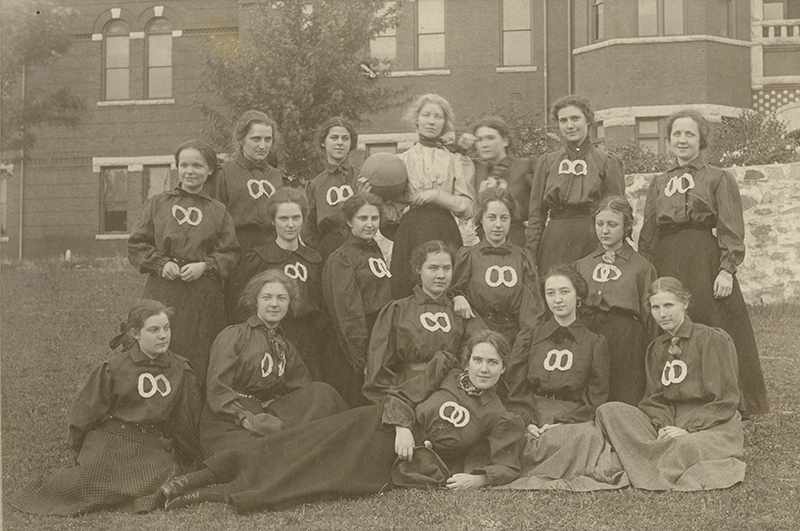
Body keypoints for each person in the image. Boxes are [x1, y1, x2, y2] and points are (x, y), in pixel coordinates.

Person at [159, 330, 526, 513]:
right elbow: (401, 394)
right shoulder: (443, 372)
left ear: (503, 368)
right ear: (468, 360)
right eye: (478, 360)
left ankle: (206, 495)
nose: (483, 368)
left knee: (313, 479)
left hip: (395, 463)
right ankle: (197, 477)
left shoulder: (500, 416)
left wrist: (478, 478)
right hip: (374, 426)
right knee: (297, 445)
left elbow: (508, 464)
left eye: (493, 363)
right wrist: (400, 425)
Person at [9, 300, 202, 515]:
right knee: (86, 481)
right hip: (111, 438)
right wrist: (76, 446)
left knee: (165, 477)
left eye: (166, 328)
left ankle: (126, 490)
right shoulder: (114, 367)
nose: (163, 336)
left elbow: (185, 418)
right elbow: (86, 410)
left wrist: (191, 454)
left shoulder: (179, 368)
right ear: (135, 333)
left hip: (149, 443)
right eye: (154, 330)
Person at [637, 109, 768, 416]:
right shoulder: (658, 183)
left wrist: (726, 268)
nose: (682, 140)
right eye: (676, 135)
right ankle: (675, 395)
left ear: (701, 140)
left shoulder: (718, 177)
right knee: (669, 321)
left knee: (714, 326)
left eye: (689, 134)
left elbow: (730, 226)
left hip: (704, 258)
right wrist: (648, 271)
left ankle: (730, 398)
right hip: (668, 258)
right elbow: (648, 233)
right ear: (668, 141)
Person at [596, 277, 746, 490]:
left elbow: (724, 399)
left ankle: (646, 462)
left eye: (669, 305)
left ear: (684, 304)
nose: (662, 314)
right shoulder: (657, 348)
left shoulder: (710, 339)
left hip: (711, 424)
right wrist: (664, 426)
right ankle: (661, 454)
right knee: (608, 410)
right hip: (671, 422)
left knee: (685, 445)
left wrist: (686, 429)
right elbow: (654, 398)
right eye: (656, 307)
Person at [200, 270, 348, 457]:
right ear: (255, 301)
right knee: (266, 453)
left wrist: (276, 410)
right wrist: (246, 419)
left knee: (322, 392)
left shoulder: (285, 346)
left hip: (265, 415)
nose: (274, 304)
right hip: (228, 420)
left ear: (289, 304)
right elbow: (217, 388)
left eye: (281, 298)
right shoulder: (234, 335)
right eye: (267, 297)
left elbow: (301, 390)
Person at [128, 140, 239, 383]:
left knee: (199, 353)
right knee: (160, 344)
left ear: (210, 170)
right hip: (164, 288)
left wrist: (205, 266)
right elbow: (136, 244)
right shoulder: (158, 203)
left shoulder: (218, 210)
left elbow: (230, 253)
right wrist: (160, 264)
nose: (190, 171)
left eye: (198, 166)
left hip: (202, 294)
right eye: (184, 165)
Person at [503, 265, 619, 490]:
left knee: (588, 436)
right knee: (508, 432)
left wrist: (562, 423)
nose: (557, 299)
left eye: (564, 292)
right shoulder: (530, 337)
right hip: (532, 412)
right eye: (550, 293)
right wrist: (527, 422)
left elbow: (596, 398)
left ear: (578, 296)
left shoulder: (595, 343)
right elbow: (516, 387)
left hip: (571, 419)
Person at [363, 240, 487, 404]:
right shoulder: (398, 310)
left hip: (451, 392)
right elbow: (379, 366)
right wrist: (394, 403)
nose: (441, 275)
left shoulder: (460, 311)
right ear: (418, 269)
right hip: (407, 391)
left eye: (447, 268)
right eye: (433, 268)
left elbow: (479, 356)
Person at [226, 188, 324, 378]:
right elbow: (240, 304)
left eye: (296, 218)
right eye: (283, 219)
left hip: (308, 341)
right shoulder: (258, 257)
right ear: (273, 221)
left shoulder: (314, 259)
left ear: (303, 219)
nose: (290, 225)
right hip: (268, 337)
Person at [390, 94, 476, 298]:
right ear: (416, 120)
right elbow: (392, 210)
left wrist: (438, 196)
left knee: (447, 288)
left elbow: (468, 207)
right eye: (426, 115)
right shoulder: (401, 160)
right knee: (408, 291)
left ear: (445, 122)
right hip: (411, 232)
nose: (431, 121)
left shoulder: (456, 159)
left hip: (444, 230)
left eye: (438, 116)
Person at [525, 95, 625, 273]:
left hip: (591, 239)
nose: (569, 125)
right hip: (554, 241)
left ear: (588, 120)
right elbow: (536, 214)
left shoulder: (607, 162)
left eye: (575, 118)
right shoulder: (547, 162)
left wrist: (614, 248)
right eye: (563, 120)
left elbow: (617, 212)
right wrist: (531, 253)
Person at [574, 195, 657, 405]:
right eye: (600, 224)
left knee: (622, 391)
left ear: (626, 227)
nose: (605, 230)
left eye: (612, 224)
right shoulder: (582, 265)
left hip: (625, 338)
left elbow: (650, 316)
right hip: (589, 333)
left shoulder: (642, 267)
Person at [321, 192, 393, 406]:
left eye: (374, 218)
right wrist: (361, 357)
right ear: (349, 220)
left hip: (378, 336)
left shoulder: (374, 250)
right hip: (355, 342)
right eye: (363, 218)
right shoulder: (342, 258)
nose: (370, 224)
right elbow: (348, 312)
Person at [451, 187, 544, 347]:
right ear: (481, 219)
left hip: (514, 340)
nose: (498, 225)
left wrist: (523, 345)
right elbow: (454, 293)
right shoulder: (469, 256)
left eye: (504, 218)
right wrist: (457, 297)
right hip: (476, 336)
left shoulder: (522, 257)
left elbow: (532, 309)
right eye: (492, 218)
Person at [207, 110, 292, 251]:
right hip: (237, 253)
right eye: (256, 139)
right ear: (241, 139)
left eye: (268, 139)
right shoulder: (223, 174)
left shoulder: (278, 177)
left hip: (274, 253)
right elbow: (213, 223)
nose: (263, 146)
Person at [303, 117, 361, 262]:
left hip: (359, 243)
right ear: (324, 142)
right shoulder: (315, 184)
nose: (340, 143)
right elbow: (309, 227)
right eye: (334, 138)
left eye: (345, 138)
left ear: (351, 143)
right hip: (327, 248)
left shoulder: (362, 177)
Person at [471, 115, 534, 247]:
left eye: (490, 138)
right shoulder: (476, 169)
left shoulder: (526, 167)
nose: (484, 144)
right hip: (483, 240)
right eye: (479, 140)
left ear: (505, 141)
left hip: (516, 240)